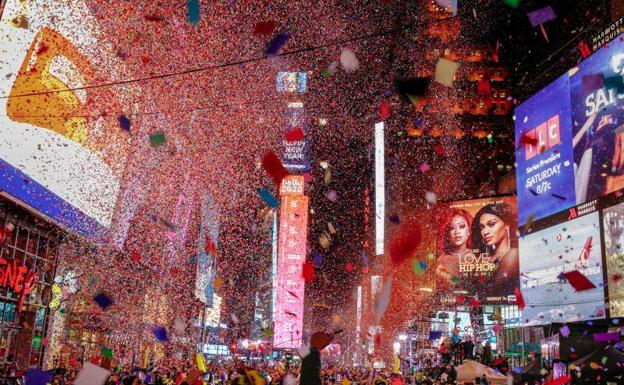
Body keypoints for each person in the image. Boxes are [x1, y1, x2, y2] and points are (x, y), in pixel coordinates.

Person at [471, 202, 519, 296]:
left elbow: (494, 289)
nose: (485, 232)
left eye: (492, 224)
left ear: (507, 225)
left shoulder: (513, 254)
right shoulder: (485, 259)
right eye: (482, 227)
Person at [436, 209, 474, 283]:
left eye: (462, 226)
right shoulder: (440, 261)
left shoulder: (478, 258)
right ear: (448, 234)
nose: (457, 231)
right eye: (452, 228)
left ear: (469, 231)